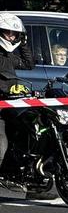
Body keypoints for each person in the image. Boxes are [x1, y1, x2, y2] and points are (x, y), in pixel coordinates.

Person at [0, 11, 35, 169]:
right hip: (1, 109)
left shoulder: (9, 56)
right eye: (9, 33)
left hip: (13, 106)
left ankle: (36, 185)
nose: (12, 37)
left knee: (33, 132)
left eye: (15, 34)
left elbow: (29, 64)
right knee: (1, 145)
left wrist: (24, 44)